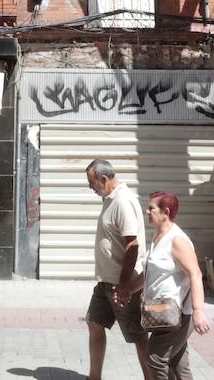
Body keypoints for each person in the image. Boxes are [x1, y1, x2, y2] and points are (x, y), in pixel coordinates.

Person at [114, 191, 211, 380]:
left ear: (165, 212)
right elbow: (150, 274)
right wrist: (128, 289)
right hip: (163, 313)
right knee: (178, 364)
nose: (147, 211)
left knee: (155, 359)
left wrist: (198, 310)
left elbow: (196, 274)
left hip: (179, 314)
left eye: (151, 208)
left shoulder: (177, 240)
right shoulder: (158, 237)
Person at [83, 159, 147, 380]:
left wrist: (125, 284)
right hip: (105, 282)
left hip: (121, 284)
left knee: (137, 336)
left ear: (104, 179)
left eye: (92, 184)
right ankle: (94, 377)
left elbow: (133, 244)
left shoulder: (122, 201)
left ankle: (152, 377)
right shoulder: (109, 199)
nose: (91, 189)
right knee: (94, 322)